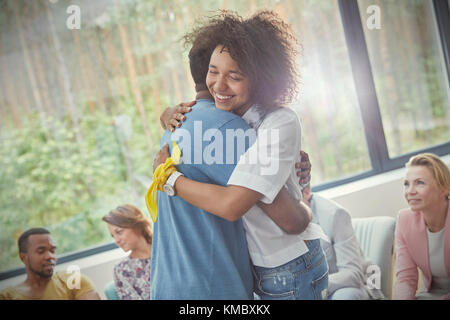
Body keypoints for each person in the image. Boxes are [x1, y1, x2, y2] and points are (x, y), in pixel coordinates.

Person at [153, 10, 329, 300]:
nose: (219, 86)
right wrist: (167, 116)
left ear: (261, 79)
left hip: (290, 266)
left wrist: (170, 178)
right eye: (213, 71)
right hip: (260, 268)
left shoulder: (279, 122)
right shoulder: (231, 116)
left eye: (234, 76)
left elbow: (236, 206)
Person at [302, 187, 384, 300]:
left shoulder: (335, 214)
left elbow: (353, 274)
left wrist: (310, 286)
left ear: (306, 192)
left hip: (350, 287)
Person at [394, 153, 450, 300]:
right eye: (406, 184)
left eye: (419, 183)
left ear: (445, 188)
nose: (410, 191)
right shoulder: (404, 220)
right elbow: (406, 278)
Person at [0, 228, 100, 300]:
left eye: (52, 250)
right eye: (41, 251)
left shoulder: (73, 280)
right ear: (23, 258)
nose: (49, 256)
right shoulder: (6, 296)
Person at [102, 204, 152, 300]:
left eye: (119, 232)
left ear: (136, 226)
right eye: (113, 236)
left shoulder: (168, 250)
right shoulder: (122, 270)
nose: (116, 240)